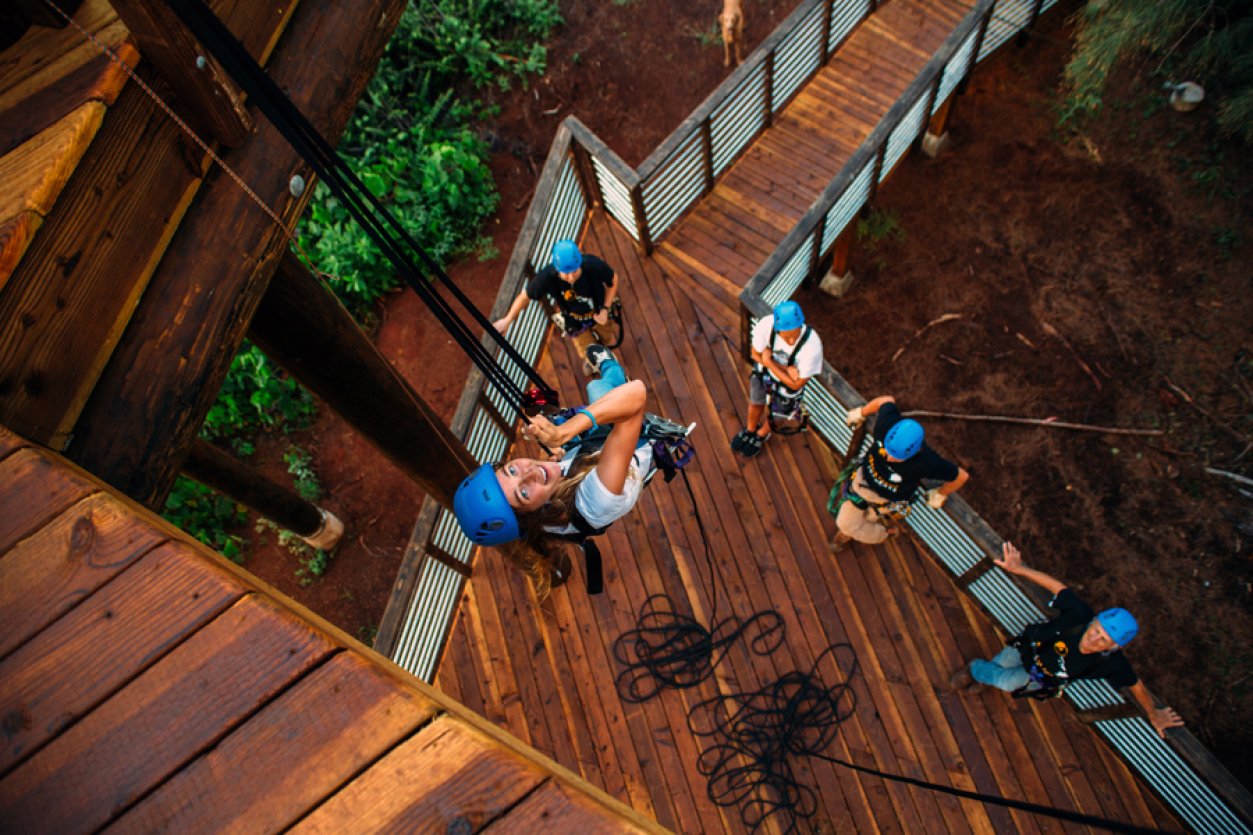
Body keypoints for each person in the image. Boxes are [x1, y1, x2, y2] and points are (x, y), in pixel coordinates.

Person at [453, 344, 652, 593]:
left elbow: (550, 477)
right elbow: (636, 395)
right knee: (599, 387)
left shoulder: (544, 518)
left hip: (588, 454)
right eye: (523, 493)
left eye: (511, 471)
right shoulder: (597, 500)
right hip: (632, 442)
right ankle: (609, 365)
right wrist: (563, 432)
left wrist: (558, 456)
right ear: (531, 515)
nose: (529, 473)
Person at [948, 542, 1185, 739]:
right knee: (1002, 663)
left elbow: (1137, 686)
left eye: (1103, 639)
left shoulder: (1112, 663)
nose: (1094, 638)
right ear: (1093, 621)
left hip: (1040, 677)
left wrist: (1153, 713)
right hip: (1026, 648)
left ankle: (976, 670)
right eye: (1096, 629)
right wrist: (1020, 569)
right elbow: (1059, 588)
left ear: (1114, 646)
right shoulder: (1080, 615)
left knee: (1007, 682)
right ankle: (982, 674)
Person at [832, 395, 968, 549]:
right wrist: (862, 412)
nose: (888, 458)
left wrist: (941, 493)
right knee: (845, 523)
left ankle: (882, 532)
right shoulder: (886, 426)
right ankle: (852, 531)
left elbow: (961, 476)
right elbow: (886, 400)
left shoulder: (927, 462)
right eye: (887, 450)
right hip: (861, 487)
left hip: (885, 501)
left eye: (896, 457)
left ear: (913, 452)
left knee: (868, 518)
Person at [494, 240, 619, 367]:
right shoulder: (548, 277)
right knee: (586, 350)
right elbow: (525, 296)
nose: (571, 277)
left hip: (600, 313)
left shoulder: (592, 265)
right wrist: (508, 319)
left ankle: (604, 352)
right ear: (558, 269)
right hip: (574, 322)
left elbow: (613, 278)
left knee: (606, 336)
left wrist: (605, 308)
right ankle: (591, 361)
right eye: (566, 273)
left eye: (574, 271)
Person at [730, 300, 823, 459]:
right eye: (787, 337)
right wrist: (786, 369)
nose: (792, 341)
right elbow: (755, 354)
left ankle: (761, 434)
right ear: (777, 329)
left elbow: (797, 384)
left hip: (781, 381)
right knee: (755, 402)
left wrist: (769, 363)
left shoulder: (812, 346)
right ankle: (750, 429)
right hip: (764, 373)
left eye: (796, 335)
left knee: (779, 415)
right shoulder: (766, 326)